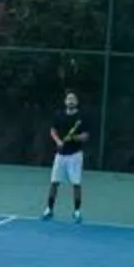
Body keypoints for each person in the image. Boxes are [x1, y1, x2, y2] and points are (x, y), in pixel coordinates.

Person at [45, 91, 89, 219]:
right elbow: (53, 130)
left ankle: (77, 212)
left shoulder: (81, 117)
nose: (70, 100)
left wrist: (75, 137)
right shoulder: (58, 115)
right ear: (65, 102)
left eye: (73, 99)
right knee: (54, 182)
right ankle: (49, 210)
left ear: (76, 102)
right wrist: (58, 141)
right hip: (60, 156)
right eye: (68, 98)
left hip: (75, 156)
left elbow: (86, 136)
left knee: (76, 183)